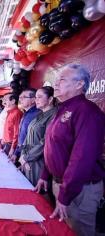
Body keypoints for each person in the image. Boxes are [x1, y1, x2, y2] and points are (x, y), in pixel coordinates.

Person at [34, 64, 105, 236]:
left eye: (62, 80)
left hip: (79, 190)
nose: (56, 84)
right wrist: (45, 174)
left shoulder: (87, 111)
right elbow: (54, 146)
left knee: (77, 231)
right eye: (56, 80)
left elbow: (82, 158)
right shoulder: (63, 108)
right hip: (62, 185)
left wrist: (65, 194)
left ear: (79, 84)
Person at [19, 86, 57, 186]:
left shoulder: (54, 115)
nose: (36, 100)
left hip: (40, 163)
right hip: (28, 161)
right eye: (35, 97)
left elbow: (45, 141)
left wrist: (27, 157)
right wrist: (23, 155)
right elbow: (27, 138)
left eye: (39, 97)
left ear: (50, 99)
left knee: (38, 195)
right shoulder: (39, 114)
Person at [10, 88, 40, 164]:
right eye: (20, 98)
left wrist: (26, 157)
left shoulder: (38, 114)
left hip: (30, 157)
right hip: (21, 154)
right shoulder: (25, 114)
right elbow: (21, 136)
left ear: (33, 100)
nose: (20, 100)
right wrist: (16, 153)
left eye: (24, 97)